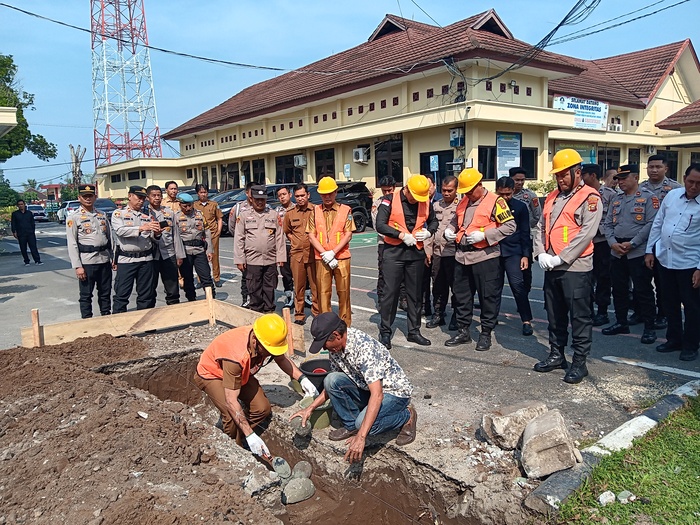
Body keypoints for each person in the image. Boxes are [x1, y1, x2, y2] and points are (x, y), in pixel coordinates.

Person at [291, 312, 416, 463]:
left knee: (365, 425)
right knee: (331, 379)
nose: (324, 347)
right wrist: (310, 408)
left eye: (325, 343)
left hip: (394, 393)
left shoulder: (364, 349)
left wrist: (361, 437)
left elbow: (377, 395)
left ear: (337, 335)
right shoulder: (336, 349)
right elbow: (332, 384)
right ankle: (351, 426)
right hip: (366, 388)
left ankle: (406, 416)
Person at [194, 313, 318, 457]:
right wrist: (250, 434)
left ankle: (243, 435)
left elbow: (281, 359)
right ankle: (235, 451)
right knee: (230, 414)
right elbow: (231, 401)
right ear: (255, 341)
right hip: (213, 374)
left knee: (262, 408)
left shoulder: (265, 338)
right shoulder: (236, 356)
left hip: (241, 373)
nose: (270, 354)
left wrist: (302, 379)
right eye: (269, 351)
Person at [533, 149, 602, 384]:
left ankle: (580, 362)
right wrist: (540, 252)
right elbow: (541, 227)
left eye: (564, 175)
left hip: (575, 267)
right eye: (557, 176)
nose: (560, 180)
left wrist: (561, 257)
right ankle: (556, 354)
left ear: (577, 172)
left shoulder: (590, 198)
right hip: (552, 266)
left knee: (580, 317)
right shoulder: (552, 196)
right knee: (554, 314)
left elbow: (586, 234)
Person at [444, 168, 515, 350]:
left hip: (485, 256)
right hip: (462, 256)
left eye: (470, 190)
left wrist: (485, 235)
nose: (467, 194)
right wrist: (449, 230)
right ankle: (463, 331)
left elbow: (510, 226)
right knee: (461, 296)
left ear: (480, 185)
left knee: (487, 297)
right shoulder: (463, 201)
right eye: (465, 191)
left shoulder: (496, 201)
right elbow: (455, 220)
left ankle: (485, 333)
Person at [645, 163, 700, 362]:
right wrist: (649, 250)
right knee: (669, 303)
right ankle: (674, 339)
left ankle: (691, 345)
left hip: (689, 264)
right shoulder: (672, 196)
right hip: (665, 260)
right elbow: (658, 224)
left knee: (693, 307)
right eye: (690, 181)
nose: (694, 187)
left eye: (698, 184)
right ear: (684, 178)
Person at [375, 174, 438, 348]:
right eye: (414, 197)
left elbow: (434, 221)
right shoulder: (389, 200)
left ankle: (414, 331)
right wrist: (401, 235)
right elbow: (380, 225)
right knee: (390, 294)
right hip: (394, 252)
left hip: (415, 253)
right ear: (407, 189)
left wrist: (429, 232)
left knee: (415, 294)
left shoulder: (425, 201)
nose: (416, 201)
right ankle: (386, 332)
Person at [601, 165, 658, 344]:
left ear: (635, 177)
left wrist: (633, 243)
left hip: (638, 250)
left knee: (643, 290)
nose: (620, 182)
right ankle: (621, 322)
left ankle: (649, 327)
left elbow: (651, 224)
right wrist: (612, 243)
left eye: (624, 178)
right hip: (617, 250)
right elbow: (608, 224)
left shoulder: (648, 198)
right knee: (618, 289)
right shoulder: (616, 199)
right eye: (618, 179)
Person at [638, 155, 682, 330]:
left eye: (658, 167)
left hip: (665, 241)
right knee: (641, 279)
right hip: (642, 240)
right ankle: (642, 311)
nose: (654, 170)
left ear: (666, 169)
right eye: (651, 167)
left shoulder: (675, 189)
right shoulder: (640, 187)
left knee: (662, 281)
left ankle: (662, 313)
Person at [307, 176, 354, 325]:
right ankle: (326, 327)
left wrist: (333, 252)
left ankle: (345, 326)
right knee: (323, 294)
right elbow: (311, 235)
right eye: (324, 194)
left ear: (336, 192)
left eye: (330, 193)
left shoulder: (346, 210)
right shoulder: (314, 211)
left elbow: (348, 234)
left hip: (342, 257)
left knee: (344, 293)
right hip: (322, 258)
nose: (327, 197)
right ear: (320, 194)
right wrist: (324, 254)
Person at [234, 185, 286, 313]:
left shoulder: (273, 215)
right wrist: (240, 259)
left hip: (270, 259)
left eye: (262, 199)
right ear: (251, 199)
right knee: (254, 288)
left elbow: (279, 237)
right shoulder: (244, 216)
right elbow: (239, 238)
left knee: (269, 287)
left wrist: (281, 257)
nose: (260, 202)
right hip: (252, 260)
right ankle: (256, 313)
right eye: (257, 199)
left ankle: (269, 311)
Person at [65, 184, 112, 318]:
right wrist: (77, 266)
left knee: (105, 292)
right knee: (86, 294)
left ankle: (106, 317)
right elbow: (72, 243)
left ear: (95, 197)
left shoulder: (101, 215)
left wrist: (113, 257)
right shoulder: (74, 217)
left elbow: (109, 238)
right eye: (85, 196)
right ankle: (87, 321)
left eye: (90, 196)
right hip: (87, 261)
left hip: (103, 259)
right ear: (79, 198)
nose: (88, 199)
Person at [494, 176, 534, 336]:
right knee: (493, 288)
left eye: (508, 194)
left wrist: (525, 255)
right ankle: (491, 318)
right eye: (501, 194)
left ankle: (526, 320)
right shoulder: (491, 205)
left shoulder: (520, 207)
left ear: (513, 191)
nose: (504, 198)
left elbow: (525, 232)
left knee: (518, 286)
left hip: (514, 252)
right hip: (495, 251)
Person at [111, 185, 160, 313]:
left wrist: (157, 232)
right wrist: (141, 228)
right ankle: (119, 326)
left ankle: (145, 325)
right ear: (130, 196)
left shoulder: (147, 216)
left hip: (145, 259)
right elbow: (120, 231)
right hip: (127, 259)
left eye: (143, 198)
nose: (141, 201)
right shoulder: (119, 214)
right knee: (122, 294)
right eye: (139, 197)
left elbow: (152, 237)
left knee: (146, 295)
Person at [582, 164, 617, 327]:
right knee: (587, 277)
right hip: (585, 242)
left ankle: (602, 312)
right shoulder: (580, 194)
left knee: (603, 277)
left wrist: (597, 230)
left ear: (593, 176)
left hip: (602, 242)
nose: (581, 178)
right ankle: (587, 310)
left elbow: (614, 218)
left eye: (584, 175)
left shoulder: (609, 194)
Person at [426, 175, 459, 331]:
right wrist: (428, 251)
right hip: (437, 252)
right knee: (438, 286)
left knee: (457, 287)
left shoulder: (461, 206)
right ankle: (438, 314)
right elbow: (430, 229)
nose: (446, 194)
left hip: (454, 253)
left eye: (450, 191)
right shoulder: (435, 206)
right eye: (444, 190)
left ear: (456, 190)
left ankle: (457, 317)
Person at [283, 183, 318, 325]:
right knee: (299, 286)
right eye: (297, 196)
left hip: (313, 253)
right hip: (297, 254)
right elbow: (287, 231)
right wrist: (296, 241)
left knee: (316, 286)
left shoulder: (316, 211)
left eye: (302, 195)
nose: (300, 198)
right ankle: (299, 314)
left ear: (308, 195)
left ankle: (317, 313)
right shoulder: (290, 213)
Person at [146, 185, 185, 305]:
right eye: (154, 196)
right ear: (148, 197)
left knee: (172, 286)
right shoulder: (143, 213)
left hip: (168, 253)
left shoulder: (168, 212)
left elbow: (176, 235)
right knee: (149, 288)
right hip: (151, 255)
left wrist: (179, 255)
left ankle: (173, 310)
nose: (157, 198)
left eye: (159, 195)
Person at [175, 192, 214, 301]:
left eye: (190, 205)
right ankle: (191, 300)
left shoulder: (199, 215)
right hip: (185, 252)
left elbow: (207, 232)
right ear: (180, 205)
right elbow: (175, 237)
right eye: (185, 206)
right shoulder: (176, 217)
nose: (188, 208)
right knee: (188, 279)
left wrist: (209, 250)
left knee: (206, 277)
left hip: (199, 250)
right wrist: (178, 255)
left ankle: (211, 300)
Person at [510, 167, 541, 293]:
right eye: (517, 180)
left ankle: (525, 294)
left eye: (522, 180)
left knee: (525, 270)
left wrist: (524, 227)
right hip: (507, 238)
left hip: (524, 237)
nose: (520, 183)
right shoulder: (504, 194)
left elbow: (537, 216)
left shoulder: (530, 196)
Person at [371, 176, 397, 308]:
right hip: (384, 242)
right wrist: (393, 236)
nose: (387, 193)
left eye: (389, 190)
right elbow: (377, 225)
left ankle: (402, 298)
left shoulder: (399, 201)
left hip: (400, 242)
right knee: (383, 272)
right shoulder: (377, 203)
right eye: (384, 191)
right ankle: (381, 299)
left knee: (402, 272)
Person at [229, 181, 255, 307]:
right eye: (251, 193)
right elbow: (232, 227)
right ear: (246, 193)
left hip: (258, 249)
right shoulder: (238, 208)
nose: (253, 196)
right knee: (246, 276)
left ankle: (257, 299)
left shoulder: (264, 206)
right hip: (244, 248)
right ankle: (246, 299)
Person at [194, 184, 223, 287]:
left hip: (213, 233)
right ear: (197, 193)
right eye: (201, 192)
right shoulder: (194, 205)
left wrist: (219, 231)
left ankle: (216, 278)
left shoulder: (214, 204)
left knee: (214, 256)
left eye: (205, 192)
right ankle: (200, 279)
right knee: (200, 257)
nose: (203, 194)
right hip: (200, 234)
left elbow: (219, 218)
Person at [275, 186, 295, 308]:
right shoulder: (276, 211)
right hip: (283, 246)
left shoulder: (297, 208)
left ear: (290, 194)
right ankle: (289, 296)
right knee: (286, 273)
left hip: (296, 246)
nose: (282, 197)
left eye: (284, 194)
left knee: (301, 273)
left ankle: (306, 296)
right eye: (279, 195)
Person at [11, 199, 42, 266]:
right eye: (19, 205)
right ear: (17, 206)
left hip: (30, 233)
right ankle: (26, 261)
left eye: (22, 204)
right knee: (23, 248)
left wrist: (32, 230)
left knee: (33, 247)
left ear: (24, 205)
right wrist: (14, 232)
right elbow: (13, 224)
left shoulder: (29, 213)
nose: (21, 206)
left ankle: (37, 260)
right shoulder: (15, 214)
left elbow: (32, 223)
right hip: (21, 233)